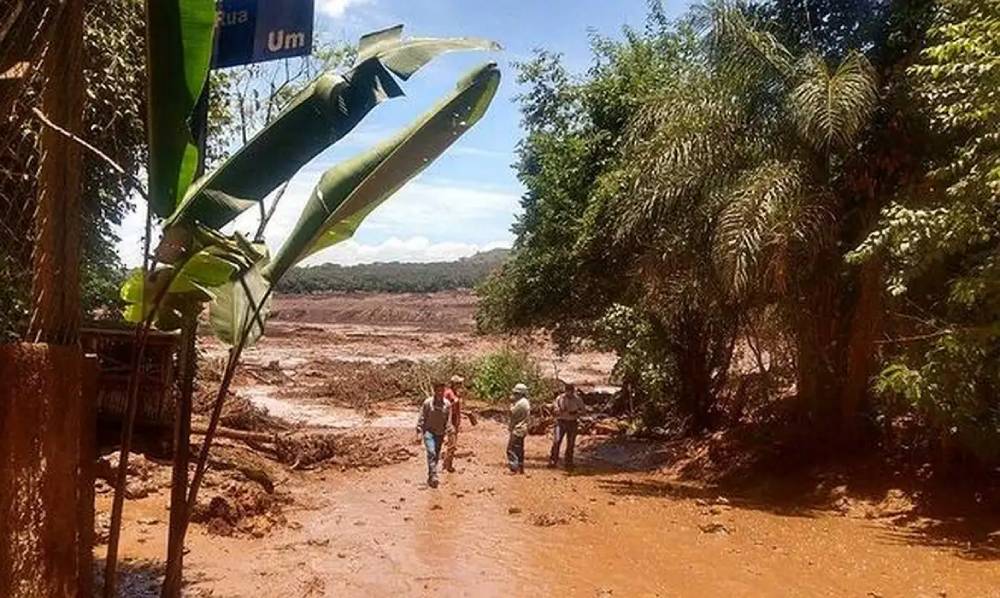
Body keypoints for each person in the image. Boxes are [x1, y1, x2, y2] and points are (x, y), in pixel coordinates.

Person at [416, 381, 453, 488]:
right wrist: (419, 432)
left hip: (440, 433)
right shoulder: (428, 403)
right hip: (429, 432)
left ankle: (431, 475)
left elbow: (448, 421)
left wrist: (449, 434)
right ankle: (434, 476)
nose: (440, 392)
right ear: (434, 391)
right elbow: (422, 417)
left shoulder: (447, 405)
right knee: (431, 452)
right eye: (438, 390)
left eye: (442, 390)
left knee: (436, 455)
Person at [549, 382, 585, 469]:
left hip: (572, 422)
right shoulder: (559, 398)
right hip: (560, 422)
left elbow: (583, 411)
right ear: (565, 391)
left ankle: (568, 461)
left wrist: (576, 413)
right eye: (568, 391)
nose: (569, 393)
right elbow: (554, 409)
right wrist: (558, 410)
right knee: (556, 441)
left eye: (571, 391)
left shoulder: (578, 399)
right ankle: (553, 460)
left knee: (571, 443)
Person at [442, 375, 469, 472]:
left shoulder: (454, 393)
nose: (460, 385)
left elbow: (457, 408)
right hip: (449, 420)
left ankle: (448, 464)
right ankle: (446, 465)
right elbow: (448, 405)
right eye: (459, 383)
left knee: (452, 444)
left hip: (454, 420)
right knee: (452, 444)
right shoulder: (449, 393)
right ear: (454, 384)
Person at [507, 383, 530, 474]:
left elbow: (512, 413)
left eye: (516, 393)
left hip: (518, 429)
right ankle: (520, 468)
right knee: (519, 449)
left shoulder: (521, 403)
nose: (514, 395)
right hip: (522, 428)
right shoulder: (524, 402)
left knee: (511, 449)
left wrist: (511, 404)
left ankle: (514, 468)